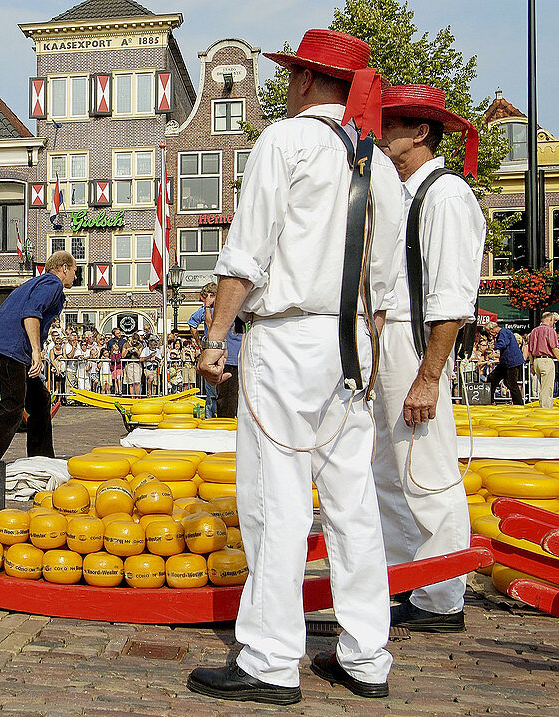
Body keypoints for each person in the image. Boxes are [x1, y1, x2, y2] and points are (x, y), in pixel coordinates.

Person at [189, 29, 403, 705]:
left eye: (291, 76)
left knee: (275, 498)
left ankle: (271, 657)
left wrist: (216, 336)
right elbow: (387, 284)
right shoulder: (383, 167)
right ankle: (367, 653)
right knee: (352, 503)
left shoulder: (284, 141)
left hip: (288, 339)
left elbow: (245, 256)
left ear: (308, 80)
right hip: (354, 345)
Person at [371, 84, 486, 633]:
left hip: (413, 346)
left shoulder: (445, 195)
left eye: (392, 125)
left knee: (426, 470)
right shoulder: (408, 193)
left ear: (421, 132)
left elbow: (450, 297)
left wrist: (428, 376)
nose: (381, 132)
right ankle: (410, 581)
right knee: (392, 471)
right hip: (392, 343)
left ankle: (441, 596)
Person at [0, 251, 74, 459]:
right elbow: (31, 313)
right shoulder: (53, 284)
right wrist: (36, 351)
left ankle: (41, 458)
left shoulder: (32, 283)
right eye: (74, 271)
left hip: (6, 347)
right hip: (14, 350)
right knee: (13, 407)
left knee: (40, 400)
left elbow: (4, 313)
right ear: (64, 268)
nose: (75, 277)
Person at [188, 282, 242, 418]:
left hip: (230, 355)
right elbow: (197, 324)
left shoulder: (223, 309)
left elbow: (206, 324)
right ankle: (213, 421)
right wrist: (200, 343)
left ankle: (221, 421)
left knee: (226, 395)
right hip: (220, 356)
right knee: (216, 395)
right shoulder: (207, 310)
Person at [527, 311, 559, 408]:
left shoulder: (534, 331)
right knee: (547, 388)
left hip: (536, 361)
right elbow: (554, 348)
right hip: (546, 360)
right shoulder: (550, 330)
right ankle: (545, 409)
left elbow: (530, 350)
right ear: (550, 319)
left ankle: (543, 406)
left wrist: (532, 364)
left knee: (542, 386)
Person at [485, 321, 525, 404]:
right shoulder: (505, 332)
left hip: (511, 362)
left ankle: (519, 403)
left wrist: (492, 346)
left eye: (489, 332)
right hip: (506, 362)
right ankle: (489, 400)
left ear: (492, 329)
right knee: (492, 378)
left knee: (511, 383)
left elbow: (503, 344)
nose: (490, 335)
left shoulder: (503, 333)